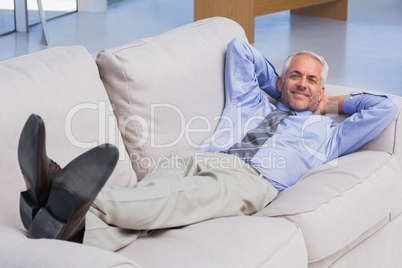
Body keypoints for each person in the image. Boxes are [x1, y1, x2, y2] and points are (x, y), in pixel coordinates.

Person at [18, 37, 399, 251]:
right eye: (295, 76)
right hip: (198, 157)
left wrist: (335, 104)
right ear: (280, 81)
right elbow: (240, 49)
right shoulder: (250, 99)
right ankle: (64, 230)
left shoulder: (330, 133)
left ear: (322, 88)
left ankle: (61, 187)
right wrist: (278, 88)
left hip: (250, 179)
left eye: (311, 80)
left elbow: (386, 106)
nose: (302, 83)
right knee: (156, 207)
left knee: (172, 200)